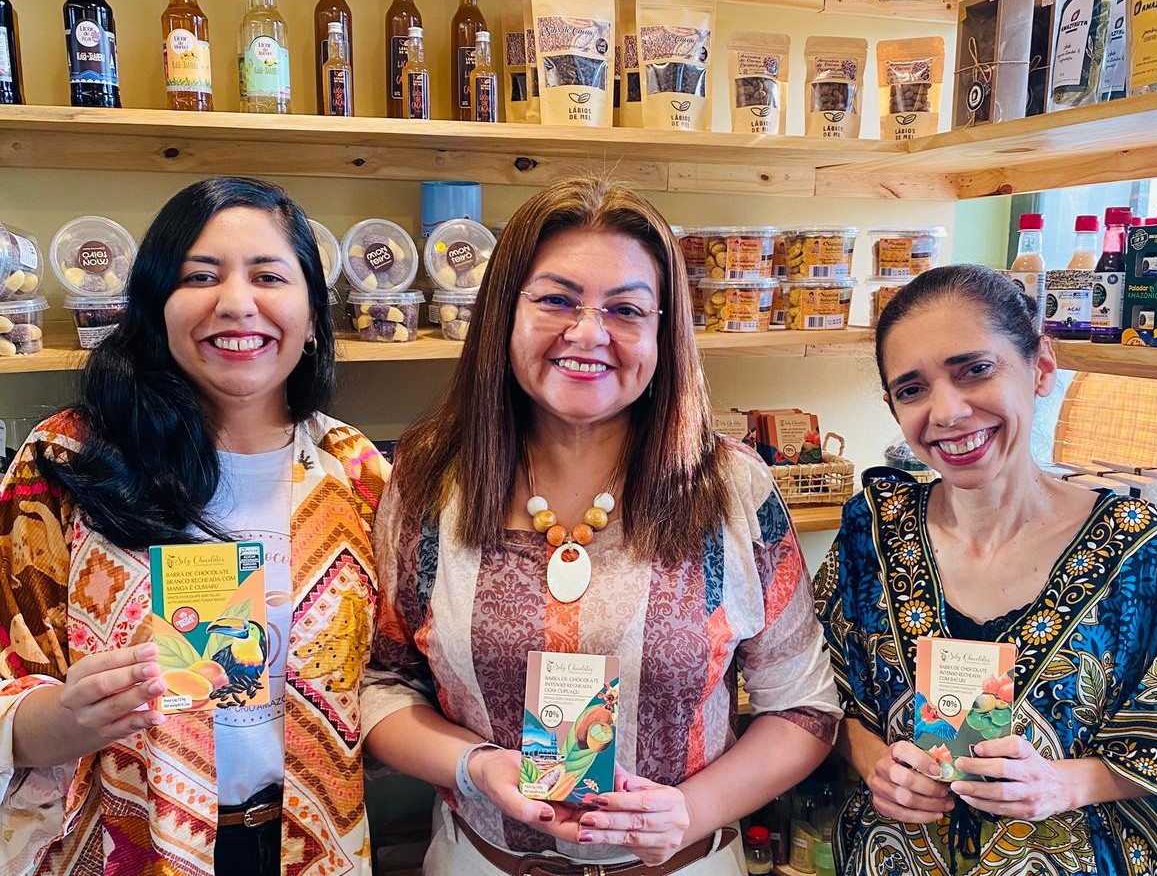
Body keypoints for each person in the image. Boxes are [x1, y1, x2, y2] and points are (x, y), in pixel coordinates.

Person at [361, 175, 841, 876]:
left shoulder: (732, 488)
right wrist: (476, 765)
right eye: (556, 299)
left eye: (626, 309)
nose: (588, 332)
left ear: (663, 332)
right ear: (504, 312)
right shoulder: (430, 479)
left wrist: (689, 811)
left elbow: (803, 707)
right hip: (481, 860)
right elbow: (385, 683)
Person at [0, 177, 389, 876]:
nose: (236, 302)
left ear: (311, 314)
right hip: (120, 845)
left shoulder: (356, 473)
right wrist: (63, 718)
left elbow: (394, 678)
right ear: (156, 307)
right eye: (200, 276)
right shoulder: (66, 462)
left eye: (269, 275)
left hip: (313, 844)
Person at [813, 264, 1157, 875]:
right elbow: (814, 703)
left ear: (1041, 367)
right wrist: (876, 763)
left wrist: (1065, 784)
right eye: (912, 389)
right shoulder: (871, 528)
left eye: (975, 369)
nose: (947, 411)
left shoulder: (1147, 550)